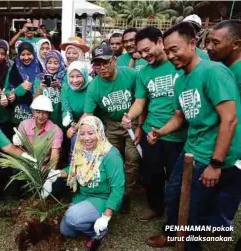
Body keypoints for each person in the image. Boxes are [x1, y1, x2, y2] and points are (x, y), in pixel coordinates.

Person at [146, 22, 241, 250]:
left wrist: (215, 164)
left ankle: (188, 245)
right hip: (190, 150)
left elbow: (229, 119)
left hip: (210, 156)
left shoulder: (213, 72)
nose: (170, 56)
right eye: (167, 51)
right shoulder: (181, 80)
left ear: (192, 43)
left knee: (192, 210)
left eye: (175, 49)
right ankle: (173, 234)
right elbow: (180, 117)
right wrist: (161, 131)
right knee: (173, 195)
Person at [121, 27, 186, 221]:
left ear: (160, 42)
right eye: (140, 52)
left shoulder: (179, 65)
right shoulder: (143, 73)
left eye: (147, 50)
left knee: (176, 179)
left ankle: (175, 217)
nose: (143, 55)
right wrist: (130, 117)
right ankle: (156, 207)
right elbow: (141, 102)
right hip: (151, 133)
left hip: (178, 134)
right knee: (151, 175)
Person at [43, 116, 124, 251]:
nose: (86, 138)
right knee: (66, 231)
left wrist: (106, 217)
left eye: (91, 133)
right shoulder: (81, 149)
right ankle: (90, 221)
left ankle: (99, 233)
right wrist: (58, 173)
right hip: (84, 195)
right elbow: (75, 168)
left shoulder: (110, 155)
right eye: (82, 133)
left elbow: (118, 188)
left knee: (72, 217)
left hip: (102, 197)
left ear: (99, 132)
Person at [83, 44, 141, 213]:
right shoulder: (94, 86)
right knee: (110, 158)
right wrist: (75, 129)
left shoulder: (131, 75)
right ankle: (112, 191)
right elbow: (88, 114)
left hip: (133, 121)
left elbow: (142, 100)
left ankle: (125, 194)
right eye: (97, 64)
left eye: (106, 62)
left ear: (115, 60)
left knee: (133, 157)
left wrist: (138, 124)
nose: (102, 67)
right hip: (112, 123)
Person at [13, 95, 63, 169]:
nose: (41, 116)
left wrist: (49, 173)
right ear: (33, 111)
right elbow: (19, 150)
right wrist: (17, 143)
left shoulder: (56, 130)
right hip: (25, 164)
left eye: (44, 113)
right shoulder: (24, 125)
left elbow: (54, 157)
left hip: (44, 167)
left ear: (49, 113)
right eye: (38, 112)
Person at [4, 42, 42, 126]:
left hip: (39, 115)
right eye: (22, 54)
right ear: (18, 55)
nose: (26, 57)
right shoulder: (13, 70)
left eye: (29, 54)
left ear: (33, 54)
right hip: (20, 114)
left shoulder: (40, 69)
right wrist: (19, 90)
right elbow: (6, 91)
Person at [61, 61, 92, 162]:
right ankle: (72, 173)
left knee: (81, 140)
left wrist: (74, 128)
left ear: (85, 75)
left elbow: (89, 111)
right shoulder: (66, 88)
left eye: (78, 76)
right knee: (74, 142)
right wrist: (70, 126)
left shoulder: (91, 86)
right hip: (75, 122)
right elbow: (66, 109)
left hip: (92, 121)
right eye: (71, 76)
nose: (75, 80)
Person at [206, 20, 241, 97]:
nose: (208, 47)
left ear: (236, 44)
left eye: (215, 43)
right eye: (208, 41)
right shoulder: (223, 68)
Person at [35, 50, 65, 126]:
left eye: (56, 63)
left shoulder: (65, 77)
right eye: (49, 62)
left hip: (60, 117)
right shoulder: (39, 78)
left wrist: (60, 86)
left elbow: (69, 98)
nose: (52, 66)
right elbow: (34, 100)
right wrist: (40, 88)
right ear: (45, 63)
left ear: (60, 63)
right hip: (44, 118)